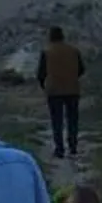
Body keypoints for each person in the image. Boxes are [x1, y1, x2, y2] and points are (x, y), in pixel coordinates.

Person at [36, 26, 86, 159]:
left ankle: (59, 149)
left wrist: (44, 86)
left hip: (54, 90)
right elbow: (81, 69)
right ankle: (73, 147)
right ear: (63, 36)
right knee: (72, 119)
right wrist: (72, 77)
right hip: (72, 89)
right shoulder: (74, 51)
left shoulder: (47, 52)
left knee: (57, 121)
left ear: (50, 37)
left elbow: (41, 73)